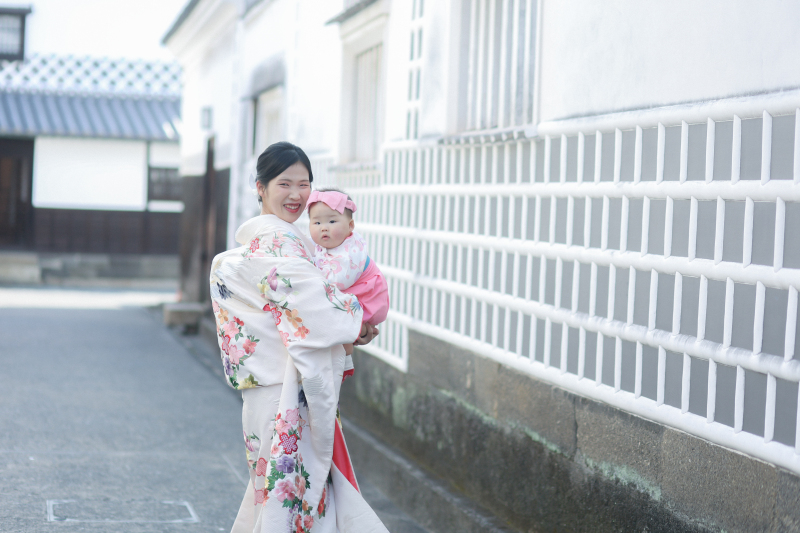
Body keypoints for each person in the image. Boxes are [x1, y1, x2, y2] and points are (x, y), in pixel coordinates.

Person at [209, 141, 388, 533]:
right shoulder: (276, 244)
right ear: (260, 187)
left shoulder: (258, 248)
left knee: (279, 498)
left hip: (265, 394)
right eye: (284, 183)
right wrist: (357, 320)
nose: (296, 195)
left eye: (304, 184)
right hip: (284, 395)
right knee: (297, 505)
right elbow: (313, 305)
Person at [306, 189, 389, 358]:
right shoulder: (330, 246)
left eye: (331, 221)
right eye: (317, 223)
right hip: (355, 296)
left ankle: (344, 359)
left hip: (367, 299)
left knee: (343, 335)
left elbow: (336, 283)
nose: (324, 228)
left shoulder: (350, 252)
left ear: (350, 226)